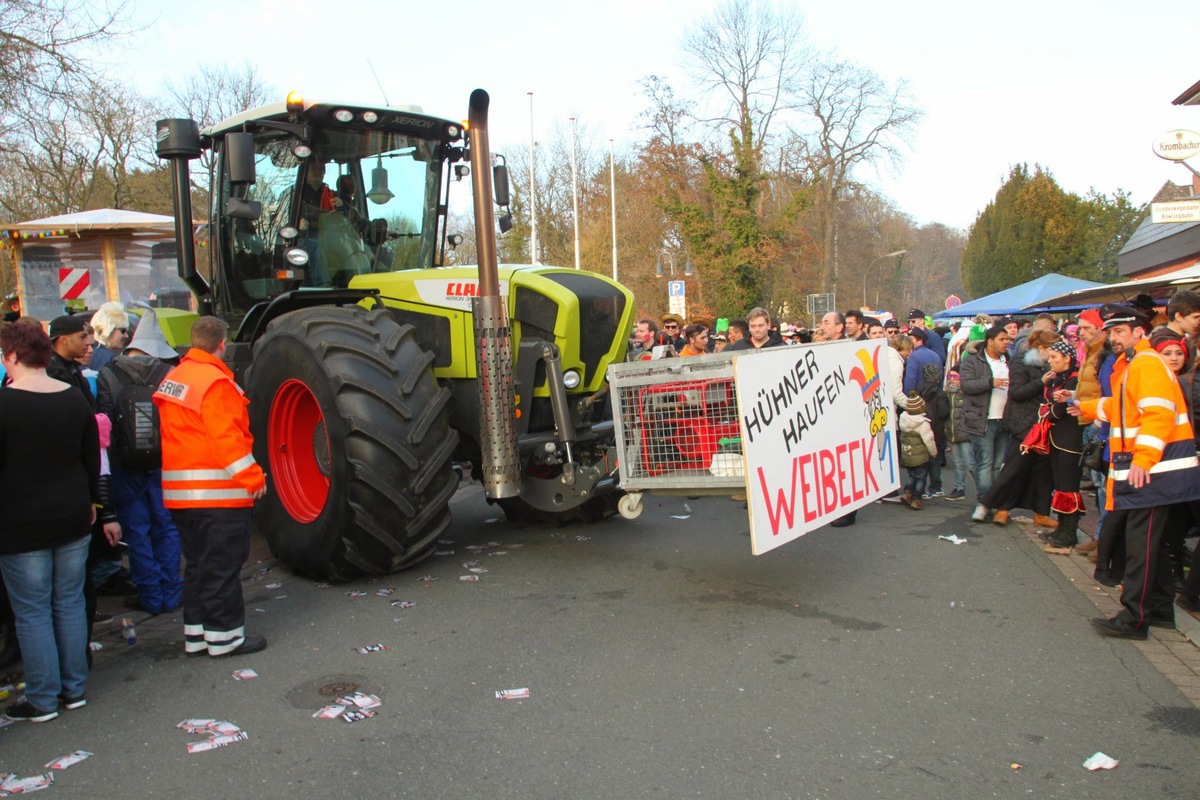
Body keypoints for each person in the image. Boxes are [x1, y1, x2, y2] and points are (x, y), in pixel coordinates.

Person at [1072, 304, 1200, 638]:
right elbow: (1125, 408)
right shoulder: (1136, 364)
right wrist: (1083, 405)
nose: (1113, 338)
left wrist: (1144, 460)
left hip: (1152, 468)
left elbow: (1157, 415)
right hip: (1155, 467)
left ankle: (1135, 618)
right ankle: (1157, 611)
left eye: (1120, 332)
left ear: (1138, 332)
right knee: (1149, 543)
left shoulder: (1144, 363)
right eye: (1111, 331)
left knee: (1139, 544)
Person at [0, 321, 99, 722]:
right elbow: (91, 458)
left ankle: (43, 698)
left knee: (33, 611)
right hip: (74, 513)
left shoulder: (4, 404)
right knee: (70, 602)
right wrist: (92, 500)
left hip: (21, 523)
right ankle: (73, 689)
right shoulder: (74, 398)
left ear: (11, 357)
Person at [154, 316, 268, 657]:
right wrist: (253, 478)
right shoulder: (215, 382)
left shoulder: (175, 377)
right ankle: (225, 638)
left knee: (199, 567)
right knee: (222, 568)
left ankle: (197, 635)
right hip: (217, 497)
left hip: (181, 498)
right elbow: (226, 439)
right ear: (222, 344)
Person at [97, 310, 183, 616]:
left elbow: (105, 423)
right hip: (162, 463)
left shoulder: (109, 373)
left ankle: (149, 597)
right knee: (167, 528)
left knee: (137, 533)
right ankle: (172, 594)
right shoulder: (168, 372)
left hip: (125, 466)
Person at [1037, 340, 1086, 552]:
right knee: (1060, 484)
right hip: (1057, 438)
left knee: (1068, 486)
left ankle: (1069, 531)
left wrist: (1047, 412)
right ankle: (1061, 528)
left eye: (1054, 358)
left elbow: (1058, 409)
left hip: (1070, 439)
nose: (1050, 361)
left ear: (1067, 358)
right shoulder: (1059, 378)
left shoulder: (1075, 380)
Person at [960, 325, 1011, 520]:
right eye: (1002, 339)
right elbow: (966, 385)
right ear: (990, 341)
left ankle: (995, 501)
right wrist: (990, 382)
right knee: (984, 463)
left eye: (1007, 339)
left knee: (998, 465)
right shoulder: (973, 361)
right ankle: (983, 503)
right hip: (982, 421)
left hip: (1004, 421)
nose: (1006, 342)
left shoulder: (1009, 361)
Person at [915, 362, 949, 498]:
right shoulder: (939, 393)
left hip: (918, 428)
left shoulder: (917, 390)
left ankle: (920, 489)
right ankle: (935, 487)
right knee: (934, 459)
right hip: (935, 430)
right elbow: (943, 412)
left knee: (921, 461)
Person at [898, 392, 937, 509]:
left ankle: (907, 492)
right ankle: (917, 499)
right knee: (921, 477)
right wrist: (933, 452)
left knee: (911, 475)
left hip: (907, 454)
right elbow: (929, 440)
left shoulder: (903, 420)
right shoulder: (922, 424)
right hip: (920, 457)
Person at [943, 367, 973, 500]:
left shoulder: (966, 395)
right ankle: (958, 488)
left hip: (965, 433)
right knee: (957, 463)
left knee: (970, 464)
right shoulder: (947, 395)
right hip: (953, 432)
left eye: (955, 378)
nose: (952, 381)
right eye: (950, 377)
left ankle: (983, 489)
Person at [89, 302, 131, 372]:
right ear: (108, 330)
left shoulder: (86, 352)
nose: (126, 336)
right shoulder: (110, 358)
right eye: (123, 330)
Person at [902, 327, 942, 394]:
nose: (909, 341)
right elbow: (940, 377)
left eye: (911, 339)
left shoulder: (914, 356)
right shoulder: (936, 355)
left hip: (919, 396)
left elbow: (910, 380)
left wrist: (909, 397)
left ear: (920, 340)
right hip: (935, 395)